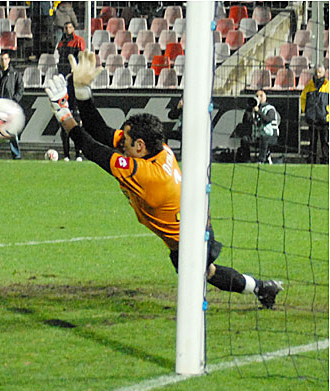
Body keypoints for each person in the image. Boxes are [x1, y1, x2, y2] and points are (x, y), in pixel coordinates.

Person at [44, 51, 283, 309]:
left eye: (125, 141)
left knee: (198, 279)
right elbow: (100, 132)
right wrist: (82, 91)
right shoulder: (155, 150)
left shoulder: (144, 173)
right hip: (192, 225)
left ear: (139, 145)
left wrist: (62, 111)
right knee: (208, 272)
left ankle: (247, 296)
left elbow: (91, 148)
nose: (120, 144)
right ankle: (261, 288)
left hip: (192, 236)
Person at [0, 51, 24, 159]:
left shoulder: (15, 74)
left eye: (5, 59)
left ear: (9, 60)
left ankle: (16, 155)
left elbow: (20, 89)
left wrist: (13, 101)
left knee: (12, 132)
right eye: (1, 59)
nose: (3, 61)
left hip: (9, 107)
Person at [56, 20, 85, 161]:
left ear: (73, 28)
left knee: (76, 120)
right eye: (65, 27)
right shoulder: (61, 43)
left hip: (74, 81)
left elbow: (81, 57)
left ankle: (78, 153)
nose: (67, 29)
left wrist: (76, 70)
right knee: (64, 121)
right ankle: (66, 154)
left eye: (69, 27)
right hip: (64, 81)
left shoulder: (78, 41)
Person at [300, 64, 329, 164]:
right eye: (316, 72)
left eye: (320, 72)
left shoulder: (328, 86)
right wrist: (306, 112)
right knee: (312, 141)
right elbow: (303, 99)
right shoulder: (309, 86)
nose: (317, 74)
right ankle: (311, 160)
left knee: (325, 141)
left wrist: (327, 113)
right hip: (312, 119)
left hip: (324, 119)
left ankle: (325, 160)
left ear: (324, 73)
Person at [242, 90, 280, 164]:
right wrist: (250, 111)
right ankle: (247, 160)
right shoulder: (253, 109)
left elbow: (267, 120)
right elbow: (245, 121)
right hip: (258, 136)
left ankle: (261, 160)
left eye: (261, 96)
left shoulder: (270, 109)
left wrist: (258, 111)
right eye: (257, 96)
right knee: (244, 139)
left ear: (266, 97)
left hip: (271, 136)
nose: (259, 98)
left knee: (264, 138)